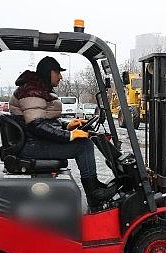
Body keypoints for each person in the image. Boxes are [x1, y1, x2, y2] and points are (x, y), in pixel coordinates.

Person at [9, 56, 115, 208]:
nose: (60, 77)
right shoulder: (32, 91)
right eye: (58, 72)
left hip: (32, 141)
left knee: (84, 141)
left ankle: (94, 187)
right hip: (31, 145)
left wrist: (68, 125)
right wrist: (70, 135)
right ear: (49, 72)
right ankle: (94, 193)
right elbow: (36, 125)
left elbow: (43, 120)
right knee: (83, 146)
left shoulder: (36, 89)